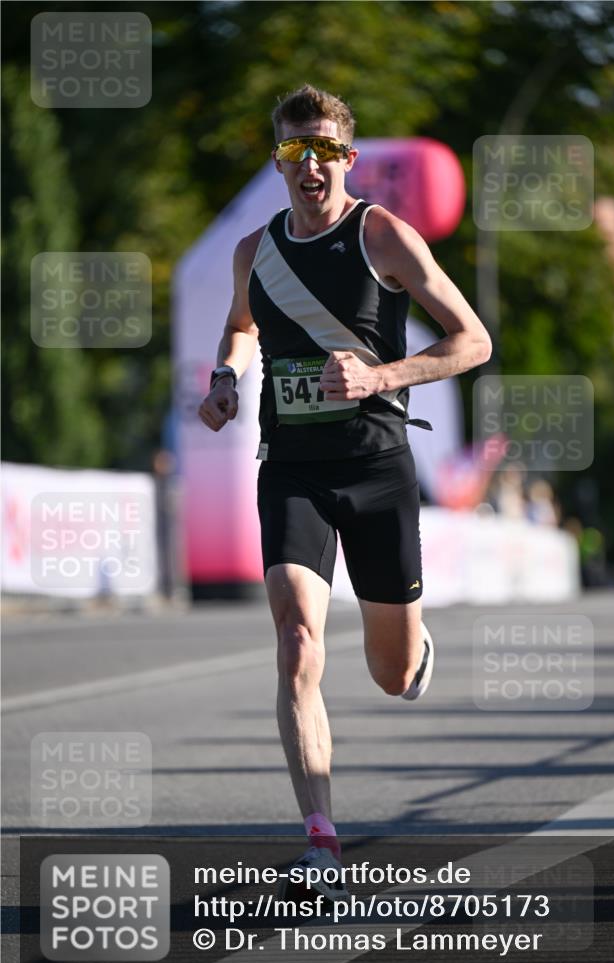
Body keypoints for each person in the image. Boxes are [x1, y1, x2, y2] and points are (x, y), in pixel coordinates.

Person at [198, 84, 492, 899]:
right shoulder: (253, 250)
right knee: (296, 645)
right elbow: (240, 324)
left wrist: (382, 375)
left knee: (390, 675)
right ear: (278, 161)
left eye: (326, 148)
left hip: (375, 468)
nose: (312, 164)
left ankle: (413, 650)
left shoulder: (382, 235)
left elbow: (473, 340)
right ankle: (320, 846)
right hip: (290, 470)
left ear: (347, 158)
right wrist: (226, 377)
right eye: (297, 150)